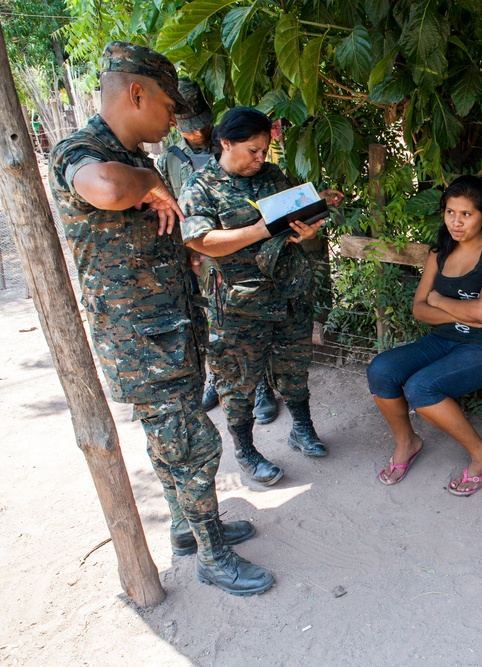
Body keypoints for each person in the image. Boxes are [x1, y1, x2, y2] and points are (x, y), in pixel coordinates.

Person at [48, 41, 272, 595]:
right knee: (193, 444)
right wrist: (149, 184)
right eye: (169, 106)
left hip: (170, 330)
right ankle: (214, 558)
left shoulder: (137, 158)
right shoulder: (81, 150)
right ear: (137, 92)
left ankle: (188, 528)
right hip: (142, 341)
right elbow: (101, 189)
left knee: (170, 439)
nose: (175, 119)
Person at [178, 106, 344, 487]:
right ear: (225, 143)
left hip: (288, 290)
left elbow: (292, 217)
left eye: (264, 150)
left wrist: (307, 232)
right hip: (239, 303)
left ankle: (302, 430)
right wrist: (260, 229)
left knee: (295, 365)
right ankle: (247, 452)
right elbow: (203, 241)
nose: (260, 158)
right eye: (252, 150)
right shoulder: (199, 185)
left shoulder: (272, 175)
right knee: (238, 381)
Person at [366, 175, 482, 496]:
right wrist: (460, 310)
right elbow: (419, 308)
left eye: (466, 214)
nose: (456, 222)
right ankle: (408, 442)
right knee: (381, 370)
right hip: (441, 340)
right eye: (450, 212)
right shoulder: (440, 251)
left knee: (421, 387)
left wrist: (439, 300)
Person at [154, 80, 280, 421]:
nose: (196, 132)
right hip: (207, 260)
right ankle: (220, 382)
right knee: (221, 335)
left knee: (255, 336)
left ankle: (263, 389)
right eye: (188, 126)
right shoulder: (171, 159)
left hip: (250, 259)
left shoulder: (233, 143)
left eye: (200, 124)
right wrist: (188, 251)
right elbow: (170, 209)